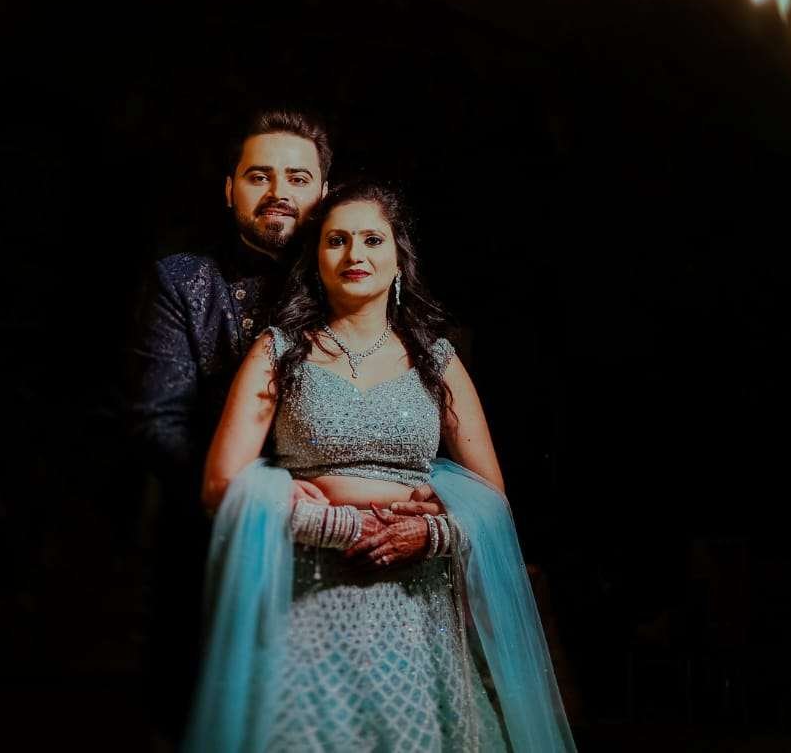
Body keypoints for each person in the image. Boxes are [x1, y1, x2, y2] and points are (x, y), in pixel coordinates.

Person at [187, 182, 576, 751]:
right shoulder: (278, 351)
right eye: (336, 241)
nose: (355, 254)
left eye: (372, 240)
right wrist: (332, 525)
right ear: (315, 259)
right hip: (309, 609)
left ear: (399, 258)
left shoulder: (436, 360)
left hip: (418, 618)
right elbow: (221, 485)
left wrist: (429, 534)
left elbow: (491, 503)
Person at [126, 110, 333, 742]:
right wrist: (260, 497)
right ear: (229, 188)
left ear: (325, 192)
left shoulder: (356, 275)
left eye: (298, 178)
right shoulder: (185, 281)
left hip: (342, 549)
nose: (279, 192)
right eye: (259, 176)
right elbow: (158, 422)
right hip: (213, 544)